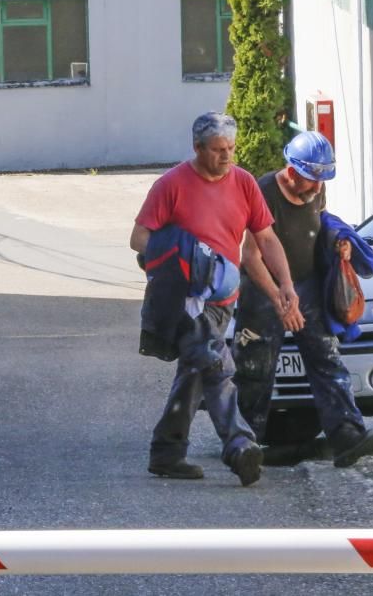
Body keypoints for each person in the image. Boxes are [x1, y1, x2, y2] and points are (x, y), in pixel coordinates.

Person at [131, 112, 298, 487]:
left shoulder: (243, 184)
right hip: (186, 300)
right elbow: (139, 238)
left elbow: (266, 240)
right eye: (218, 150)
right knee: (215, 364)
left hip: (225, 300)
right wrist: (182, 254)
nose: (227, 157)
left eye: (231, 149)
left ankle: (166, 452)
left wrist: (285, 284)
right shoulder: (170, 185)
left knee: (195, 372)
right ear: (197, 148)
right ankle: (239, 446)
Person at [232, 131, 373, 468]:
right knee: (254, 368)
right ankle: (245, 445)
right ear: (292, 171)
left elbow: (319, 222)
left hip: (309, 285)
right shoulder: (263, 191)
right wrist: (279, 299)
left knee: (326, 358)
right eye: (312, 181)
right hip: (264, 291)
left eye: (322, 181)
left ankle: (347, 435)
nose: (317, 188)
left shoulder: (317, 188)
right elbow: (251, 255)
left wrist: (340, 243)